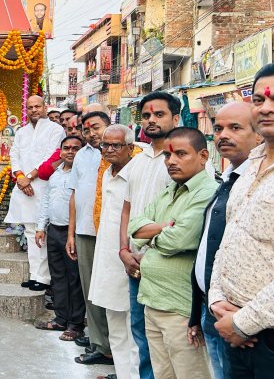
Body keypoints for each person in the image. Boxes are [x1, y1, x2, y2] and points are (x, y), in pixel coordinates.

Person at [209, 61, 274, 379]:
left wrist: (244, 321)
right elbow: (229, 237)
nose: (266, 108)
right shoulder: (252, 161)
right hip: (233, 331)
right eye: (258, 100)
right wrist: (217, 299)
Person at [127, 127, 217, 379]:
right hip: (152, 299)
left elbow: (177, 239)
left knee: (190, 373)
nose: (172, 161)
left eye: (180, 154)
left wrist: (152, 235)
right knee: (162, 373)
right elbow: (134, 228)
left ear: (203, 156)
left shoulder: (207, 192)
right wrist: (164, 227)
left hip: (180, 308)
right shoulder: (170, 190)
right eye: (168, 155)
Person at [188, 102, 259, 379]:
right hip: (212, 309)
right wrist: (199, 311)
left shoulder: (257, 183)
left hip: (239, 318)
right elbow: (210, 248)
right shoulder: (227, 179)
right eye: (218, 128)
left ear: (259, 135)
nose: (222, 135)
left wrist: (246, 320)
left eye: (235, 128)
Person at [118, 91, 183, 379]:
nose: (151, 120)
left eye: (159, 114)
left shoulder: (183, 158)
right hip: (134, 262)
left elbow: (181, 219)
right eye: (146, 116)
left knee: (169, 340)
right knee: (140, 331)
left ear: (176, 118)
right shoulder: (139, 159)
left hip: (166, 262)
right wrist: (123, 250)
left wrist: (149, 251)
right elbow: (126, 209)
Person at [89, 125, 141, 379]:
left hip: (129, 257)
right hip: (107, 257)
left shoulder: (137, 172)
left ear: (130, 148)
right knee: (115, 323)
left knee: (134, 328)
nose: (109, 150)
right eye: (105, 145)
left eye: (116, 145)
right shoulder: (107, 172)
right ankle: (122, 374)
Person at [67, 111, 114, 366]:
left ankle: (110, 343)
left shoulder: (121, 152)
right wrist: (71, 233)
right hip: (85, 230)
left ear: (109, 125)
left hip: (111, 231)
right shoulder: (82, 156)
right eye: (87, 130)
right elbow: (74, 195)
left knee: (111, 288)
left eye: (96, 127)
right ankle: (100, 342)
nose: (91, 133)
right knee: (90, 290)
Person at [5, 95, 64, 292]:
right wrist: (20, 177)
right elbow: (14, 154)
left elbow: (52, 158)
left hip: (44, 186)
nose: (34, 110)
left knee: (43, 233)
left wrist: (28, 177)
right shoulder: (22, 131)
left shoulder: (56, 130)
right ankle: (34, 275)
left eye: (37, 106)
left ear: (45, 107)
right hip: (24, 187)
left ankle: (44, 278)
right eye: (30, 107)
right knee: (30, 231)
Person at [34, 136, 86, 340]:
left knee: (74, 279)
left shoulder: (83, 175)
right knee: (58, 277)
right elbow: (46, 201)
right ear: (61, 151)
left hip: (72, 233)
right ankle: (60, 319)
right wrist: (41, 227)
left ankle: (75, 324)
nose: (70, 152)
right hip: (54, 230)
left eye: (75, 148)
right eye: (66, 148)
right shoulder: (55, 174)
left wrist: (72, 234)